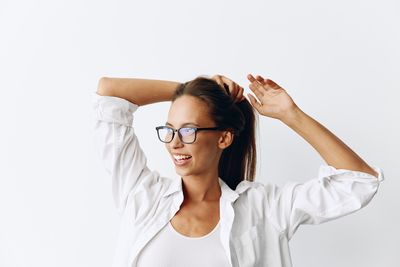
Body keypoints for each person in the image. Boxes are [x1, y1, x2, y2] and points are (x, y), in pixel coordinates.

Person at [92, 74, 384, 267]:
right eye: (169, 131)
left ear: (224, 137)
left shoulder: (264, 209)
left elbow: (358, 182)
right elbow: (110, 93)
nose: (175, 143)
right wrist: (195, 90)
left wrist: (290, 114)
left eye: (189, 130)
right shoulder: (142, 195)